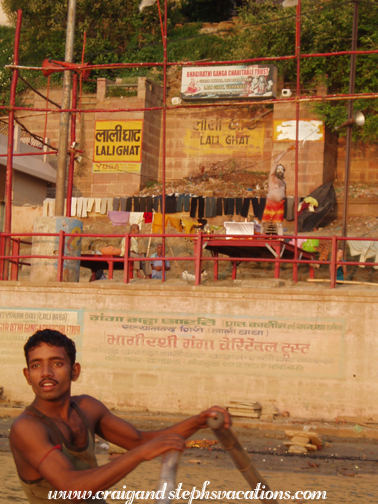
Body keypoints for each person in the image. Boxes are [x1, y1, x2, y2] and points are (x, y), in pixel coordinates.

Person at [10, 329, 230, 503]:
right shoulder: (27, 428)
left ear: (74, 371)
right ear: (27, 375)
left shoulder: (87, 407)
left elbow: (139, 441)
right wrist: (138, 455)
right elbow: (72, 488)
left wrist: (199, 421)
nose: (46, 373)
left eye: (57, 363)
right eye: (36, 365)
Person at [261, 147, 294, 236]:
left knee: (279, 224)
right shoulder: (272, 177)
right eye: (278, 169)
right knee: (264, 222)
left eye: (281, 170)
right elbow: (275, 162)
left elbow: (284, 193)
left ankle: (280, 238)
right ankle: (260, 237)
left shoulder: (284, 182)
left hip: (280, 205)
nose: (280, 170)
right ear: (275, 171)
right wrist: (285, 151)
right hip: (270, 203)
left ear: (283, 172)